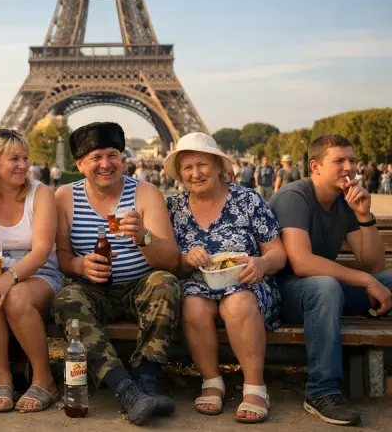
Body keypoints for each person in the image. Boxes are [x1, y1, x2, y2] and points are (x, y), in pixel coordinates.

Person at [52, 122, 181, 425]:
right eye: (96, 157)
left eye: (113, 155)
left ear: (123, 158)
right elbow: (62, 258)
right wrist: (79, 265)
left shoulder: (146, 193)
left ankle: (147, 377)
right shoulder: (65, 197)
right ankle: (124, 388)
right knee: (66, 300)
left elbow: (171, 262)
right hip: (93, 289)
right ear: (80, 164)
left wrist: (143, 238)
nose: (106, 164)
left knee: (166, 283)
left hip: (140, 285)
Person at [270, 134, 392, 427]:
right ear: (315, 166)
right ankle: (321, 392)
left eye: (351, 160)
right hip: (282, 294)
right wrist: (365, 280)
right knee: (325, 285)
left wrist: (364, 217)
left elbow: (373, 264)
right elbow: (301, 263)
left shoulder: (344, 201)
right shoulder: (294, 197)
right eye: (339, 161)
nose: (348, 167)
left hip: (327, 294)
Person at [165, 133, 287, 423]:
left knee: (237, 303)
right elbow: (168, 262)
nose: (196, 173)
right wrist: (183, 260)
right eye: (188, 167)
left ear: (219, 166)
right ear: (180, 174)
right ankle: (211, 381)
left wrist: (261, 262)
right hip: (197, 284)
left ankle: (255, 386)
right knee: (192, 304)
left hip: (247, 281)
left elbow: (278, 253)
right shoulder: (172, 208)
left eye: (203, 164)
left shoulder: (247, 199)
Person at [0, 129, 63, 413]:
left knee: (16, 298)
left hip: (40, 272)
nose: (23, 165)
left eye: (26, 158)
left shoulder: (42, 194)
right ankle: (3, 378)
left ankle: (43, 378)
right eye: (14, 159)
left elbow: (41, 252)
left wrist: (8, 278)